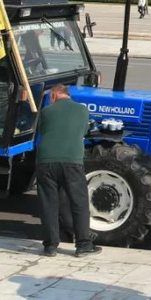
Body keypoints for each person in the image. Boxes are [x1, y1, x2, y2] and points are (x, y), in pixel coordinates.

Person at [35, 85, 100, 257]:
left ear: (54, 95)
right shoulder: (82, 110)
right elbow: (83, 131)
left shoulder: (46, 112)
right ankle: (83, 245)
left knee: (49, 203)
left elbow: (43, 131)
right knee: (79, 202)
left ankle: (50, 246)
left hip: (46, 161)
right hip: (72, 162)